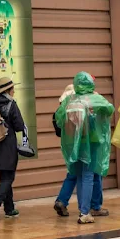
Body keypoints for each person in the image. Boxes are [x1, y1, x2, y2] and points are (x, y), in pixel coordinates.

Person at [55, 72, 115, 224]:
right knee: (88, 176)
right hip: (92, 144)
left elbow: (58, 118)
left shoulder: (69, 100)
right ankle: (84, 212)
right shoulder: (96, 99)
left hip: (74, 144)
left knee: (79, 176)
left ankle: (84, 209)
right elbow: (110, 109)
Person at [0, 77, 27, 221]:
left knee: (5, 177)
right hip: (7, 146)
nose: (14, 91)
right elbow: (19, 126)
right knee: (9, 177)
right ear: (8, 91)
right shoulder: (11, 104)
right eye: (12, 89)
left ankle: (9, 209)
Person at [52, 83, 80, 217]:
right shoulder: (77, 108)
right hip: (80, 145)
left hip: (67, 146)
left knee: (72, 173)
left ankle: (61, 201)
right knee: (83, 175)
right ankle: (87, 206)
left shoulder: (59, 111)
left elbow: (58, 132)